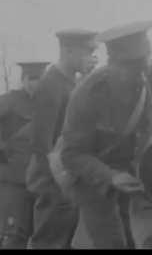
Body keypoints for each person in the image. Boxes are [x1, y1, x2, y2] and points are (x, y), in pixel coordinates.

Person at [60, 21, 152, 249]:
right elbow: (71, 155)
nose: (142, 74)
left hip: (146, 172)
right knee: (110, 243)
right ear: (113, 64)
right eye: (132, 67)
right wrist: (111, 176)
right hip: (97, 180)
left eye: (144, 63)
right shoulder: (88, 94)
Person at [26, 30, 98, 249]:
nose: (91, 57)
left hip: (68, 180)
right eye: (86, 52)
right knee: (49, 243)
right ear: (67, 51)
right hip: (55, 183)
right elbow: (41, 143)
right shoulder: (51, 85)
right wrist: (58, 183)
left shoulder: (70, 82)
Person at [0, 62, 48, 249]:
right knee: (14, 235)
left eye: (40, 79)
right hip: (14, 182)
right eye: (32, 79)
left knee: (41, 233)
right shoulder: (9, 101)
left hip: (41, 180)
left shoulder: (48, 103)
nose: (36, 84)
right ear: (23, 80)